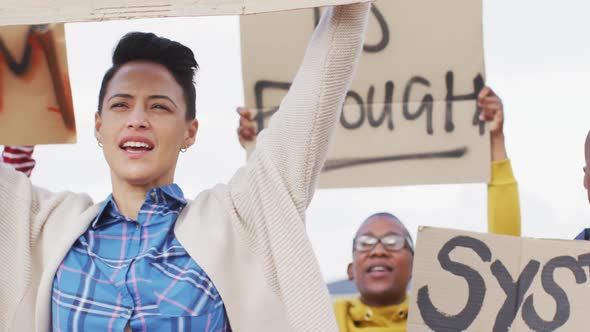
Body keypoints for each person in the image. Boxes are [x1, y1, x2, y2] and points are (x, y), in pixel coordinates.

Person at [0, 3, 371, 332]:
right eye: (121, 105)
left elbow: (325, 74)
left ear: (190, 131)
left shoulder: (240, 220)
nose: (138, 119)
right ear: (99, 126)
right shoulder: (40, 227)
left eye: (159, 106)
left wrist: (350, 7)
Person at [237, 86, 521, 331]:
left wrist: (496, 141)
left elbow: (505, 259)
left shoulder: (446, 320)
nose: (379, 249)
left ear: (415, 267)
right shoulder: (322, 319)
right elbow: (265, 250)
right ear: (351, 269)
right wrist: (258, 155)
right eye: (366, 242)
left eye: (394, 242)